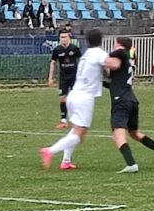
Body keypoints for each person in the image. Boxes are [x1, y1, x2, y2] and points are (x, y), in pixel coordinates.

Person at [105, 37, 154, 173]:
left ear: (120, 45)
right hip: (131, 100)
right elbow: (113, 82)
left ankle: (131, 164)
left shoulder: (121, 53)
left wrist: (95, 58)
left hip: (121, 101)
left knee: (118, 134)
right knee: (134, 133)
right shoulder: (126, 62)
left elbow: (112, 59)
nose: (114, 47)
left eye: (115, 44)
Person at [40, 29, 108, 170]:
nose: (63, 38)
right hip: (84, 97)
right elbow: (112, 66)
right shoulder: (98, 53)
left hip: (75, 93)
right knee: (80, 133)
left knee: (77, 129)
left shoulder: (84, 53)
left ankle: (66, 161)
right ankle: (50, 151)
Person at [47, 30, 82, 129]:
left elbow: (81, 61)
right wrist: (50, 78)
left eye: (65, 37)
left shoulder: (74, 48)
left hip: (74, 77)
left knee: (75, 98)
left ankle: (77, 119)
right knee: (63, 98)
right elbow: (53, 63)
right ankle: (63, 120)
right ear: (59, 38)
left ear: (69, 38)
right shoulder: (57, 50)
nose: (64, 39)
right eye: (62, 37)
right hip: (63, 77)